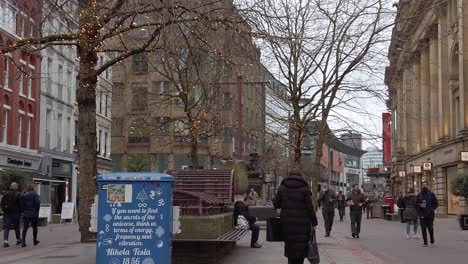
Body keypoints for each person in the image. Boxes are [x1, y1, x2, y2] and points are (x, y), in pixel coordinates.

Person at [273, 170, 318, 264]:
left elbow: (276, 204)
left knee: (290, 248)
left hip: (287, 224)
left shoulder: (283, 187)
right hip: (302, 225)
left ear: (289, 175)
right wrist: (314, 222)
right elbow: (310, 208)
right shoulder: (305, 188)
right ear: (300, 176)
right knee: (301, 250)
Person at [416, 181, 438, 247]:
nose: (424, 186)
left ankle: (432, 238)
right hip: (422, 214)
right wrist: (420, 205)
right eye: (423, 185)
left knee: (430, 228)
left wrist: (432, 209)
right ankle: (425, 242)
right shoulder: (419, 195)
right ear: (421, 186)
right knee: (423, 228)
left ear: (428, 186)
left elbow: (436, 203)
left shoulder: (432, 194)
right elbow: (416, 204)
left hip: (430, 214)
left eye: (425, 185)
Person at [1, 182, 22, 247]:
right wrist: (20, 212)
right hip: (16, 213)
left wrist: (4, 210)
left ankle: (5, 241)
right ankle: (18, 240)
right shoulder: (19, 194)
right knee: (16, 227)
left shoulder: (5, 194)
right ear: (16, 187)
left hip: (7, 213)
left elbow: (2, 203)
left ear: (10, 187)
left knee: (6, 227)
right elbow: (20, 204)